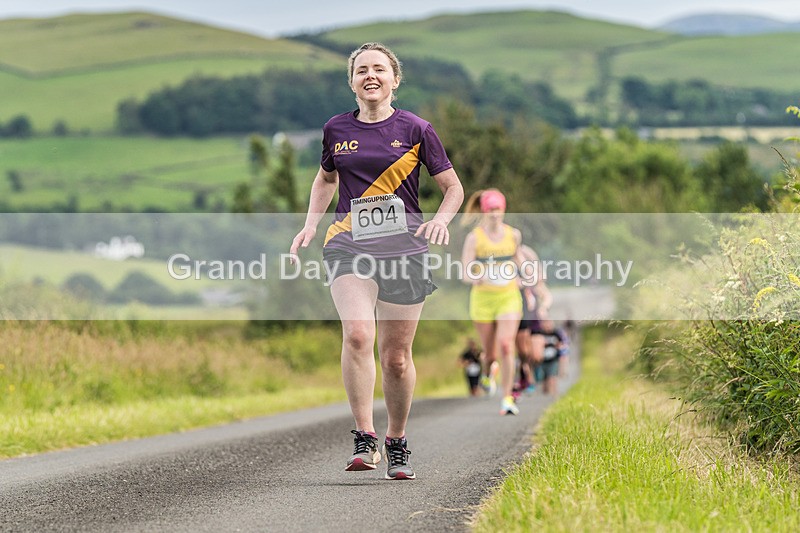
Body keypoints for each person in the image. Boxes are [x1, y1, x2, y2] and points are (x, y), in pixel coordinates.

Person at [289, 42, 464, 480]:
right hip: (349, 244)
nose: (371, 75)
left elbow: (453, 188)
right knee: (357, 335)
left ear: (394, 79)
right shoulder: (335, 129)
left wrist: (441, 222)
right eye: (362, 69)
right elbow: (325, 179)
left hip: (405, 249)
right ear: (351, 81)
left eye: (379, 69)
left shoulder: (417, 129)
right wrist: (311, 224)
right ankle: (364, 436)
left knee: (397, 358)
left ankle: (397, 440)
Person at [461, 188, 532, 415]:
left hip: (508, 296)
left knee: (505, 345)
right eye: (490, 210)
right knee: (490, 354)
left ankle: (507, 398)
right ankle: (486, 372)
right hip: (483, 299)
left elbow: (518, 257)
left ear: (504, 210)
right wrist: (477, 276)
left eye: (498, 209)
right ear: (484, 211)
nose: (495, 214)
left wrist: (528, 274)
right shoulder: (475, 238)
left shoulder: (513, 235)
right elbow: (465, 272)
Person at [539, 319, 570, 395]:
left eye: (549, 324)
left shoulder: (556, 333)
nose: (547, 326)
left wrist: (558, 346)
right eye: (545, 324)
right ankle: (545, 395)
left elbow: (563, 344)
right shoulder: (540, 334)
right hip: (543, 360)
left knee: (552, 377)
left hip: (553, 359)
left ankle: (553, 394)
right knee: (544, 380)